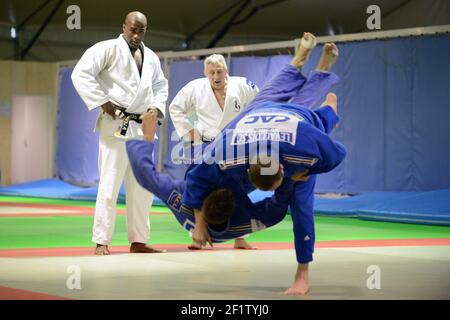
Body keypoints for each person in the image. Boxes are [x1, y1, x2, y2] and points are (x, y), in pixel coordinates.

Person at [182, 33, 346, 295]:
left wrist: (307, 170)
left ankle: (302, 273)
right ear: (246, 168)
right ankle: (301, 61)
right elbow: (195, 176)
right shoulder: (227, 151)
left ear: (283, 169)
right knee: (272, 94)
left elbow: (338, 153)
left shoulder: (302, 145)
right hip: (256, 115)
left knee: (302, 203)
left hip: (296, 121)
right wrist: (200, 221)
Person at [71, 11, 168, 255]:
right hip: (116, 125)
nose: (136, 35)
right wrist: (102, 101)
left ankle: (138, 241)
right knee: (109, 184)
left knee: (143, 187)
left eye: (141, 31)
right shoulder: (106, 49)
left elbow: (160, 85)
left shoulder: (152, 57)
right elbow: (80, 73)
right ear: (123, 26)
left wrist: (156, 108)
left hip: (142, 128)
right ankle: (102, 240)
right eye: (132, 29)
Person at [125, 112, 295, 247]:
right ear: (237, 205)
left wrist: (146, 137)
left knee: (197, 155)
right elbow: (277, 209)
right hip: (237, 175)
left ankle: (195, 134)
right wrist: (288, 174)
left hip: (201, 159)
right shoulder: (242, 219)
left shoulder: (180, 199)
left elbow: (146, 176)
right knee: (264, 169)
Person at [169, 53, 260, 249]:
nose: (216, 76)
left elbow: (260, 104)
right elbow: (175, 107)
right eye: (211, 73)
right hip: (205, 144)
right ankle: (197, 233)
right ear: (205, 73)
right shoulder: (195, 87)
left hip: (235, 145)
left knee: (237, 189)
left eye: (219, 71)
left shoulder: (243, 85)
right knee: (200, 184)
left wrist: (251, 131)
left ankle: (240, 236)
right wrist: (189, 132)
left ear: (226, 71)